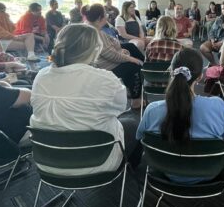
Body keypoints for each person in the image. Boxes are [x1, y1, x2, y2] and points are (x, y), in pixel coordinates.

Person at [30, 24, 141, 174]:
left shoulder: (41, 76)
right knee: (134, 124)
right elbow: (119, 109)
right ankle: (127, 174)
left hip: (46, 160)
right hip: (97, 162)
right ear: (95, 49)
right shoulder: (105, 79)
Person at [136, 48, 224, 184]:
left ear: (171, 72)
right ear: (200, 76)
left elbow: (141, 138)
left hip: (165, 170)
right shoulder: (218, 106)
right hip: (208, 172)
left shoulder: (152, 110)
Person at [84, 4, 145, 109]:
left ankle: (134, 84)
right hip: (105, 67)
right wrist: (130, 58)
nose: (107, 16)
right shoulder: (95, 32)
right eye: (105, 14)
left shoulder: (92, 28)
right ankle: (136, 101)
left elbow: (109, 48)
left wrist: (121, 50)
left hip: (106, 59)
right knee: (135, 67)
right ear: (99, 18)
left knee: (130, 47)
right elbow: (110, 55)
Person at [200, 0, 224, 65]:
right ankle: (214, 64)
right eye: (222, 9)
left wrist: (221, 43)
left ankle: (223, 67)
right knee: (203, 47)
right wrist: (212, 40)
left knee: (222, 54)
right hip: (216, 41)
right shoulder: (219, 18)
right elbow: (212, 30)